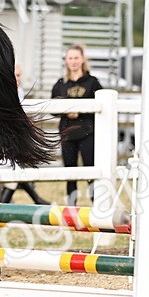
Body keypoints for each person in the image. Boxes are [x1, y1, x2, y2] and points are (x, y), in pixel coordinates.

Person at [51, 45, 103, 206]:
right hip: (67, 133)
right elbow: (52, 108)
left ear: (82, 59)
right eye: (70, 58)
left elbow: (102, 106)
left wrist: (82, 111)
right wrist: (65, 111)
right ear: (66, 61)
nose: (73, 61)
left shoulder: (92, 82)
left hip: (87, 132)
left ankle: (97, 205)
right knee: (70, 172)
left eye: (76, 58)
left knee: (91, 171)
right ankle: (71, 207)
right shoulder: (60, 84)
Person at [0, 63, 48, 205]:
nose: (16, 79)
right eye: (13, 75)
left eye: (18, 75)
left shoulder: (20, 91)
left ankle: (2, 205)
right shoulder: (2, 92)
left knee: (16, 169)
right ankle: (35, 199)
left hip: (13, 137)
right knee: (16, 168)